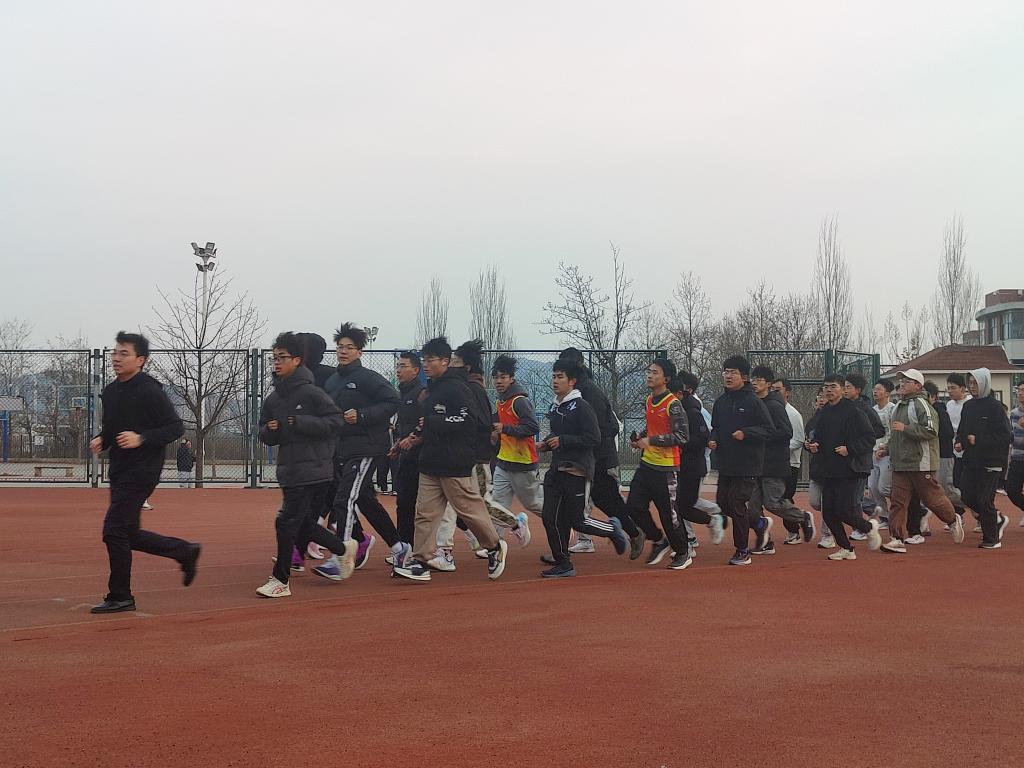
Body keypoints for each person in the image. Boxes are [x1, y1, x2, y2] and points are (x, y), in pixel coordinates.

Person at [88, 332, 200, 613]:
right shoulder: (111, 392)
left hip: (143, 471)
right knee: (129, 533)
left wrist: (141, 438)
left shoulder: (150, 390)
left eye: (123, 353)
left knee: (113, 530)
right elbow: (113, 427)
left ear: (141, 360)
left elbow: (175, 428)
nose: (116, 358)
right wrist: (103, 439)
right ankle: (184, 551)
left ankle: (120, 595)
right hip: (120, 469)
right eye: (115, 352)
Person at [392, 337, 508, 582]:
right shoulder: (433, 388)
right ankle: (421, 561)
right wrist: (416, 436)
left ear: (445, 361)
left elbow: (467, 421)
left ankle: (494, 546)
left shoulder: (457, 388)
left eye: (430, 360)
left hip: (454, 462)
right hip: (430, 461)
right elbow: (429, 422)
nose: (425, 364)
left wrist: (432, 422)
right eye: (424, 360)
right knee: (425, 514)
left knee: (469, 511)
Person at [255, 332, 356, 598]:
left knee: (286, 522)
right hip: (289, 470)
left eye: (282, 357)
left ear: (297, 360)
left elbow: (335, 421)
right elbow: (263, 431)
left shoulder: (312, 394)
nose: (277, 362)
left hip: (314, 470)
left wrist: (300, 422)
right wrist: (270, 431)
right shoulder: (274, 399)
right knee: (302, 525)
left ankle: (280, 580)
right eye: (274, 358)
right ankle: (343, 549)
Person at [434, 340, 528, 570]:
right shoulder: (461, 387)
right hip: (462, 457)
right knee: (452, 505)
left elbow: (482, 424)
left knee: (480, 505)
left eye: (455, 361)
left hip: (476, 458)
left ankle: (515, 523)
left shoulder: (473, 390)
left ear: (466, 366)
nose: (450, 364)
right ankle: (445, 550)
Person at [323, 323, 409, 576]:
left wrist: (362, 415)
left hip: (367, 447)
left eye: (349, 347)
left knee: (344, 499)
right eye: (340, 347)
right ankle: (400, 548)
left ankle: (341, 556)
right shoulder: (332, 380)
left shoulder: (368, 378)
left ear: (360, 351)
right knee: (365, 500)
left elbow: (393, 401)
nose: (343, 351)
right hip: (342, 448)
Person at [538, 359, 628, 577]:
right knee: (550, 517)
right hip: (556, 471)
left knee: (578, 521)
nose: (555, 381)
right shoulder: (555, 407)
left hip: (577, 471)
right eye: (554, 376)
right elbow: (557, 434)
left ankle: (612, 529)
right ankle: (563, 563)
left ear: (572, 381)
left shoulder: (582, 407)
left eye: (560, 377)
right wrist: (547, 444)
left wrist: (563, 440)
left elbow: (593, 438)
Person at [557, 348, 635, 556]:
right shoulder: (571, 394)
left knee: (607, 501)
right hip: (585, 459)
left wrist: (577, 441)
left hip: (599, 459)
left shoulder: (589, 393)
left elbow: (607, 428)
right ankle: (569, 548)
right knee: (575, 503)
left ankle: (637, 531)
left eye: (562, 372)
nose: (558, 378)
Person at [881, 369, 965, 553]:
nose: (902, 384)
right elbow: (896, 434)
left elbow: (931, 430)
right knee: (897, 501)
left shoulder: (922, 404)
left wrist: (906, 428)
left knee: (932, 499)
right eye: (902, 381)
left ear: (918, 385)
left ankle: (952, 519)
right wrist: (886, 448)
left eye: (907, 381)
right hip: (901, 463)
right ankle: (896, 538)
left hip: (921, 462)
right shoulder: (899, 406)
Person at [625, 357, 694, 570]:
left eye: (655, 372)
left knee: (668, 514)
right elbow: (652, 428)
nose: (650, 375)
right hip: (647, 464)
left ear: (666, 378)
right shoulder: (649, 400)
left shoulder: (673, 404)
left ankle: (683, 552)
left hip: (666, 468)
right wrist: (640, 439)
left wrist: (652, 441)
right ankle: (658, 538)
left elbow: (682, 436)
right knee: (633, 506)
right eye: (649, 371)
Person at [804, 374, 882, 560]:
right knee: (828, 513)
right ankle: (847, 548)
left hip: (849, 469)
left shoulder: (854, 411)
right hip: (828, 469)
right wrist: (812, 445)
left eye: (833, 386)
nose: (829, 391)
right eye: (826, 387)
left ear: (842, 389)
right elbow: (817, 436)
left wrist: (850, 449)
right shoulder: (824, 412)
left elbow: (869, 438)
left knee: (843, 510)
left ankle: (868, 527)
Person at [709, 355, 773, 566]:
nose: (728, 376)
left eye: (733, 372)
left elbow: (768, 429)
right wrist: (713, 439)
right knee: (723, 503)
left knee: (737, 503)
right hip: (726, 463)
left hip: (748, 463)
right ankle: (760, 524)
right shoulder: (721, 402)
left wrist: (746, 433)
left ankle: (742, 550)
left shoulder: (753, 402)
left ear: (744, 377)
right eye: (726, 372)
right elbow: (716, 427)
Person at [748, 366, 814, 551]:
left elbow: (786, 433)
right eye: (753, 379)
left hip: (774, 464)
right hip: (754, 464)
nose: (754, 383)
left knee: (773, 503)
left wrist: (760, 435)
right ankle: (765, 541)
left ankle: (803, 517)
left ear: (768, 384)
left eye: (759, 380)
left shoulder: (776, 407)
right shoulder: (753, 403)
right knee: (751, 507)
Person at [956, 368, 1013, 549]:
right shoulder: (968, 406)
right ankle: (995, 519)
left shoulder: (995, 407)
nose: (972, 386)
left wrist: (979, 440)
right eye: (970, 383)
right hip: (971, 460)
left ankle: (992, 539)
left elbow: (1005, 436)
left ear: (984, 383)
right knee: (966, 496)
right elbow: (962, 430)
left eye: (976, 383)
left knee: (984, 500)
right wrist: (960, 442)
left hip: (991, 461)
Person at [671, 373, 726, 549]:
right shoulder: (673, 410)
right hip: (675, 464)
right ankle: (689, 539)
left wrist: (678, 441)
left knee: (684, 505)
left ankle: (708, 521)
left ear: (683, 391)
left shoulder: (694, 411)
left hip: (693, 465)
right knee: (679, 504)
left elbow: (704, 437)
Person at [490, 354, 544, 530]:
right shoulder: (500, 401)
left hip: (523, 464)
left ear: (512, 378)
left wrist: (505, 429)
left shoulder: (519, 401)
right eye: (496, 377)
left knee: (533, 504)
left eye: (503, 377)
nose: (499, 381)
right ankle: (495, 543)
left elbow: (533, 427)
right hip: (503, 462)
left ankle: (561, 520)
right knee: (497, 505)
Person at [389, 351, 425, 548]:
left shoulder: (422, 394)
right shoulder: (402, 394)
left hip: (422, 460)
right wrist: (398, 444)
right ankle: (405, 547)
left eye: (403, 366)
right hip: (406, 459)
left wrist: (413, 440)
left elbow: (427, 425)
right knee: (403, 504)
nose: (398, 370)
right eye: (397, 366)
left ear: (416, 370)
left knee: (422, 507)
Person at [842, 373, 886, 532]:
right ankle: (872, 509)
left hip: (860, 459)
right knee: (851, 497)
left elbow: (879, 431)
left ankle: (861, 528)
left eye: (848, 387)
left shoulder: (865, 409)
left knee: (854, 497)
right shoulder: (842, 407)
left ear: (858, 390)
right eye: (844, 387)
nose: (845, 390)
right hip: (844, 459)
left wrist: (859, 438)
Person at [771, 378, 805, 505]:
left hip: (790, 464)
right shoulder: (769, 411)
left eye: (778, 390)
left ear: (787, 393)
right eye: (772, 389)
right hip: (772, 464)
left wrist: (778, 449)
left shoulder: (794, 415)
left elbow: (799, 440)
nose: (774, 393)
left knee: (783, 500)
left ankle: (800, 516)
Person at [868, 378, 896, 523]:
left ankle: (907, 506)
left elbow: (893, 432)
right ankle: (885, 517)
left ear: (887, 393)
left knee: (884, 488)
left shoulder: (893, 409)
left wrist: (886, 448)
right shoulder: (872, 410)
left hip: (886, 453)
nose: (875, 392)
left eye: (879, 389)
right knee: (872, 487)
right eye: (874, 389)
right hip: (873, 453)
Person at [946, 372, 972, 490]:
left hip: (968, 447)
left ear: (962, 388)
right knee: (955, 482)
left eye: (953, 388)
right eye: (948, 388)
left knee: (967, 484)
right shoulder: (949, 405)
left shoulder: (971, 403)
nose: (950, 391)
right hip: (952, 450)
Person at [1007, 382, 1024, 526]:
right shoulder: (1013, 414)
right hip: (1017, 457)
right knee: (1012, 490)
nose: (1021, 393)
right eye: (1019, 390)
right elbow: (1010, 435)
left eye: (1023, 390)